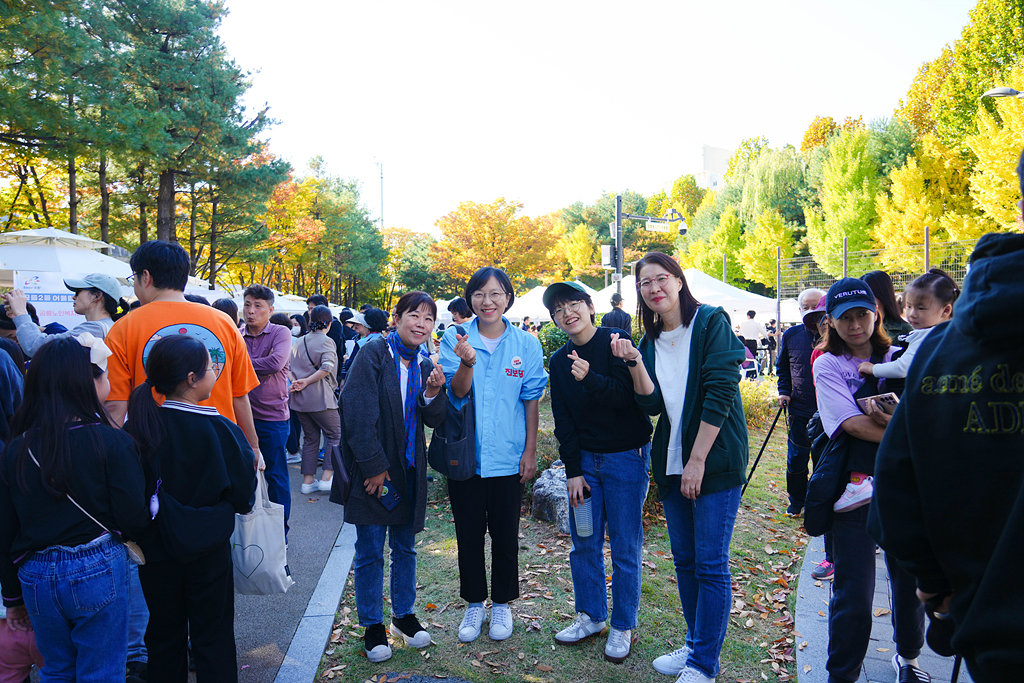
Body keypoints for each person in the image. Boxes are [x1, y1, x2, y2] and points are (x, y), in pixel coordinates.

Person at [867, 230, 1024, 682]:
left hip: (986, 625)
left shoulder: (937, 351)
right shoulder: (933, 348)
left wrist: (938, 590)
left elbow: (895, 492)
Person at [607, 252, 747, 683]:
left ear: (680, 281)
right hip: (670, 464)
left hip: (714, 460)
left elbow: (721, 390)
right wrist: (633, 363)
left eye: (661, 278)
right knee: (685, 561)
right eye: (645, 283)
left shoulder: (709, 322)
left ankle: (704, 663)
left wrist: (698, 460)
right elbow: (650, 405)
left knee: (709, 563)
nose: (654, 289)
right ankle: (693, 645)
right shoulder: (649, 343)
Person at [0, 336, 150, 682]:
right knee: (102, 670)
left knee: (56, 669)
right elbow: (133, 519)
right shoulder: (113, 442)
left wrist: (11, 597)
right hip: (97, 566)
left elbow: (5, 529)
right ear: (89, 383)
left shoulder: (16, 448)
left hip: (34, 573)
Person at [812, 278, 928, 683]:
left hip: (907, 488)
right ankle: (841, 675)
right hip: (854, 492)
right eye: (845, 318)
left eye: (862, 314)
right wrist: (913, 434)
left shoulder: (903, 354)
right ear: (830, 321)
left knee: (911, 587)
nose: (856, 324)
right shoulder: (826, 363)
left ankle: (909, 661)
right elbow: (851, 425)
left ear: (875, 312)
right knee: (855, 597)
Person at [123, 335, 256, 683]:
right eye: (211, 368)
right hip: (208, 548)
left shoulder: (138, 428)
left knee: (164, 636)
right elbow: (244, 496)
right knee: (212, 636)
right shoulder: (221, 430)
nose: (215, 373)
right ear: (192, 379)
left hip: (156, 549)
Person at [544, 282, 652, 664]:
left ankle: (623, 624)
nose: (568, 312)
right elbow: (563, 419)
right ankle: (591, 615)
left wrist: (589, 377)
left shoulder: (615, 340)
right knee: (585, 541)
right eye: (559, 310)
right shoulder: (558, 361)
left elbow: (630, 399)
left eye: (574, 303)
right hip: (585, 463)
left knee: (625, 545)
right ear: (555, 319)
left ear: (590, 306)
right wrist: (573, 470)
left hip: (626, 457)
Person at [439, 267, 547, 644]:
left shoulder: (526, 344)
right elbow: (456, 394)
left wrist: (530, 451)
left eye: (496, 293)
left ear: (508, 298)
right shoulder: (454, 337)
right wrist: (466, 361)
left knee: (504, 535)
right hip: (465, 457)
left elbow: (531, 399)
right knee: (468, 534)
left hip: (508, 455)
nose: (488, 301)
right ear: (470, 299)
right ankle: (474, 603)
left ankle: (501, 602)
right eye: (480, 294)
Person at [340, 291, 448, 663]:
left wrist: (434, 391)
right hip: (376, 471)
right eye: (414, 315)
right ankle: (373, 625)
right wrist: (373, 468)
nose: (421, 323)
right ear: (396, 318)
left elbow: (431, 419)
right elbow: (355, 413)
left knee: (405, 547)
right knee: (370, 550)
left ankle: (404, 615)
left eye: (428, 318)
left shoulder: (421, 362)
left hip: (409, 469)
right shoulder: (373, 353)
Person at [103, 240, 261, 463]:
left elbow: (116, 404)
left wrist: (111, 458)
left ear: (146, 277)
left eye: (133, 279)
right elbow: (240, 396)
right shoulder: (224, 323)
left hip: (154, 451)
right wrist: (252, 447)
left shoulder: (124, 327)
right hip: (221, 448)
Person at [242, 285, 293, 532]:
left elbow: (275, 362)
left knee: (276, 477)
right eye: (247, 305)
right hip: (240, 417)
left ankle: (279, 532)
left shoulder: (280, 332)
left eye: (258, 306)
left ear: (270, 310)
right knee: (242, 476)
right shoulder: (237, 334)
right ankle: (247, 532)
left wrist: (239, 363)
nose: (251, 311)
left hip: (272, 418)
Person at [857, 268, 958, 392]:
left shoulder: (925, 335)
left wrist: (872, 369)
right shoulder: (954, 334)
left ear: (946, 310)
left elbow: (902, 368)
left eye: (921, 308)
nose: (912, 314)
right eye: (909, 306)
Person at [776, 289, 825, 518]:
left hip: (828, 411)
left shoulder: (835, 335)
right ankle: (796, 501)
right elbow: (783, 368)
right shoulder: (791, 335)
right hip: (799, 408)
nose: (811, 311)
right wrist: (783, 391)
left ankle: (817, 503)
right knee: (796, 459)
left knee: (823, 461)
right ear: (799, 310)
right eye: (805, 307)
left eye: (815, 306)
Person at [3, 273, 128, 358]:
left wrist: (21, 313)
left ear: (97, 296)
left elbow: (37, 347)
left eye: (78, 291)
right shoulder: (106, 327)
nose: (74, 296)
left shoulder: (95, 329)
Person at [289, 305, 339, 495]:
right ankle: (327, 478)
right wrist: (306, 381)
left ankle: (308, 482)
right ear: (329, 323)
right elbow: (326, 367)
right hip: (320, 397)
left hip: (299, 399)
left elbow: (289, 368)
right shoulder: (327, 341)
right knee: (335, 434)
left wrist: (296, 383)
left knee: (310, 439)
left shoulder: (299, 341)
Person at [862, 270, 913, 341]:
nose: (864, 300)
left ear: (881, 294)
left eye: (868, 293)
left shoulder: (905, 330)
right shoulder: (858, 327)